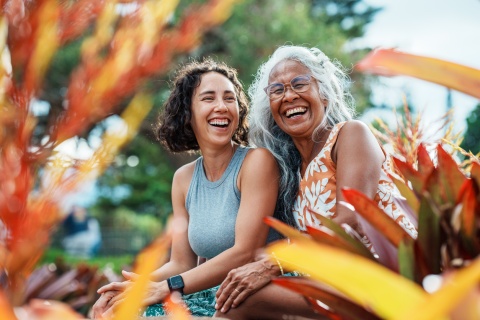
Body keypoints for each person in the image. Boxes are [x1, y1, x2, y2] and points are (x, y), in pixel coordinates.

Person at [214, 45, 417, 319]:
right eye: (277, 90)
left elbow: (348, 221)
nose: (289, 96)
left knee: (243, 300)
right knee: (235, 292)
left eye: (299, 83)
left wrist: (271, 264)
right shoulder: (291, 172)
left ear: (324, 93)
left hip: (384, 282)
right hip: (334, 283)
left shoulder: (350, 135)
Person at [91, 59, 283, 318]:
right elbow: (181, 262)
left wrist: (168, 286)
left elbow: (245, 252)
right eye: (208, 98)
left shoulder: (257, 162)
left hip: (251, 299)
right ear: (187, 113)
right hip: (210, 297)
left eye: (229, 98)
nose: (221, 107)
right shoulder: (183, 178)